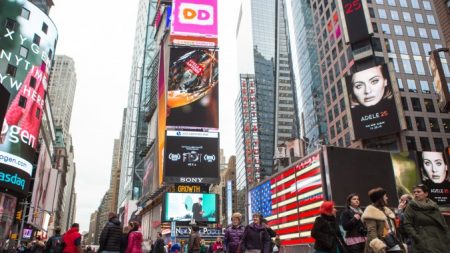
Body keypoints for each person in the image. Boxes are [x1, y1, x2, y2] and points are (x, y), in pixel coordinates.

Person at [402, 184, 450, 253]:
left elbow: (443, 223)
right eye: (414, 192)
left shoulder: (434, 206)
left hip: (438, 238)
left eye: (418, 192)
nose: (416, 193)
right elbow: (407, 224)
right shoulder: (411, 206)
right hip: (423, 240)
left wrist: (447, 235)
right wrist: (417, 237)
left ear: (426, 194)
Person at [361, 188, 405, 253]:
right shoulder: (370, 211)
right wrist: (377, 245)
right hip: (381, 243)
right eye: (385, 196)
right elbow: (371, 230)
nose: (387, 198)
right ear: (380, 198)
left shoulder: (385, 210)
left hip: (391, 240)